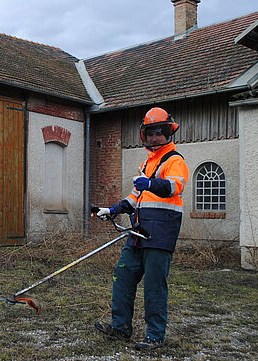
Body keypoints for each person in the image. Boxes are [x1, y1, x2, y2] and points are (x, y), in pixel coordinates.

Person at [94, 107, 189, 351]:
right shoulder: (147, 163)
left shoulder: (174, 160)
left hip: (160, 233)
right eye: (150, 133)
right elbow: (135, 197)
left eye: (160, 132)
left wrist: (151, 183)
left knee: (154, 286)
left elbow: (173, 187)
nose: (155, 137)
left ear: (168, 132)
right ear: (143, 135)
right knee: (123, 276)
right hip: (138, 232)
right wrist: (113, 210)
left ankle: (155, 335)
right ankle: (120, 327)